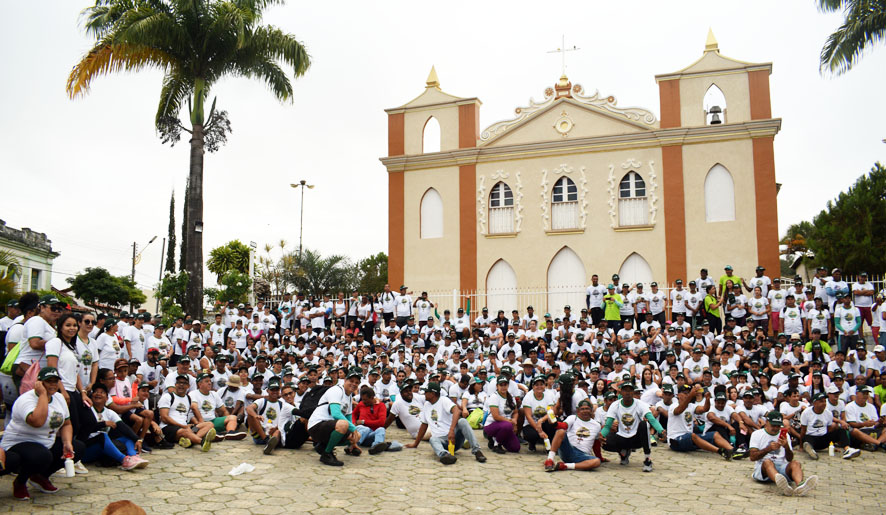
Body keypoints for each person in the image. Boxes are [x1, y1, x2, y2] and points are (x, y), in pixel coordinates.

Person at [0, 367, 85, 500]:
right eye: (48, 381)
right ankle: (20, 482)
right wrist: (43, 395)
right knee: (41, 455)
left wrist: (67, 442)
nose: (52, 384)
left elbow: (67, 424)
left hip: (45, 443)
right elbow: (37, 421)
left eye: (55, 381)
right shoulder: (26, 400)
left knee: (77, 447)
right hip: (19, 443)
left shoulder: (59, 398)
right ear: (39, 383)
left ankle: (40, 476)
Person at [405, 381, 487, 465]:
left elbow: (457, 411)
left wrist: (451, 430)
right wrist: (415, 444)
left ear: (433, 393)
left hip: (453, 439)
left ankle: (477, 451)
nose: (424, 394)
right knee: (432, 439)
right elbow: (424, 425)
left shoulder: (444, 400)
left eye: (426, 392)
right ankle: (444, 455)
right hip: (441, 442)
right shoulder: (426, 404)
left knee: (463, 421)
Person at [80, 382, 148, 471]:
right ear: (91, 396)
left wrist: (137, 439)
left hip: (102, 446)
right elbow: (86, 429)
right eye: (96, 392)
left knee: (128, 437)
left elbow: (122, 427)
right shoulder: (87, 410)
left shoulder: (109, 412)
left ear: (107, 398)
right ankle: (124, 460)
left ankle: (133, 457)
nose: (98, 394)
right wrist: (103, 424)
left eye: (102, 392)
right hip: (87, 449)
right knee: (102, 436)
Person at [599, 381, 665, 472]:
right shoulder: (615, 405)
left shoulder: (640, 404)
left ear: (633, 393)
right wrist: (601, 436)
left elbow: (652, 419)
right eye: (625, 390)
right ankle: (623, 453)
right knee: (606, 442)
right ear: (621, 392)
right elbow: (607, 426)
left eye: (630, 391)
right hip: (621, 437)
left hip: (636, 439)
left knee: (644, 424)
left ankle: (647, 459)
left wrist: (661, 431)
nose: (627, 393)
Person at [749, 411, 818, 496]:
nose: (776, 428)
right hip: (763, 469)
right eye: (773, 425)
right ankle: (781, 484)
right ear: (767, 422)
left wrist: (786, 447)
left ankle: (800, 486)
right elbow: (752, 457)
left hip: (781, 466)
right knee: (767, 462)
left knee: (796, 463)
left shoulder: (785, 436)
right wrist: (768, 449)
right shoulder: (757, 434)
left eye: (778, 426)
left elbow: (789, 458)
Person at [306, 367, 362, 466]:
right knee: (344, 425)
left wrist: (353, 442)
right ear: (345, 380)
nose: (354, 384)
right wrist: (353, 428)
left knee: (357, 435)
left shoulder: (349, 397)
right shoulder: (336, 390)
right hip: (316, 425)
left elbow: (349, 419)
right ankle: (327, 454)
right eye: (351, 381)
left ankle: (323, 446)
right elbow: (336, 414)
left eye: (357, 382)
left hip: (330, 427)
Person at [667, 385, 734, 459]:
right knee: (693, 436)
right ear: (678, 395)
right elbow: (679, 410)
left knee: (715, 434)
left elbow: (704, 409)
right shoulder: (673, 406)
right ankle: (721, 452)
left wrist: (707, 399)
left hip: (689, 439)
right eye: (685, 393)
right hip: (675, 440)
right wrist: (690, 396)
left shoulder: (692, 406)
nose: (687, 395)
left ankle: (733, 451)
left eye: (688, 393)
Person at [157, 374, 216, 451]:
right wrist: (183, 426)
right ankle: (201, 442)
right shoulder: (167, 397)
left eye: (184, 383)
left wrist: (189, 425)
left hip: (185, 427)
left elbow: (188, 415)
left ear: (188, 386)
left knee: (209, 424)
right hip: (168, 428)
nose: (181, 385)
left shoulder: (188, 398)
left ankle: (190, 441)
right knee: (185, 431)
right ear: (175, 385)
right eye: (179, 382)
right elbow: (164, 418)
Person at [544, 398, 602, 472]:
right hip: (568, 449)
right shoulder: (573, 418)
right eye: (582, 409)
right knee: (561, 431)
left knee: (597, 462)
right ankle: (550, 460)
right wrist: (554, 423)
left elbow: (596, 443)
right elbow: (563, 426)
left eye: (587, 409)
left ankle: (565, 466)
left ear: (591, 410)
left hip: (582, 455)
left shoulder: (597, 425)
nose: (585, 411)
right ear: (578, 410)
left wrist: (600, 457)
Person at [799, 392, 859, 459]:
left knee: (841, 431)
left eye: (825, 401)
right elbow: (803, 430)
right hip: (811, 438)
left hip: (823, 438)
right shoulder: (806, 413)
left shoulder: (828, 413)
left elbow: (829, 429)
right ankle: (811, 450)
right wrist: (800, 447)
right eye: (821, 401)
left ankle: (847, 449)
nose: (824, 404)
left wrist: (831, 446)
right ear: (814, 403)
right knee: (807, 439)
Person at [188, 373, 245, 441]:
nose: (209, 383)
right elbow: (194, 408)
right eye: (206, 381)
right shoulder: (193, 393)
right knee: (208, 425)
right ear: (199, 384)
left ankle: (230, 433)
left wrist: (228, 421)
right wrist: (202, 422)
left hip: (213, 420)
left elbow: (224, 411)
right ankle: (205, 435)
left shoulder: (214, 394)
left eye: (210, 381)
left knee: (233, 417)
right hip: (197, 423)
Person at [352, 387, 398, 454]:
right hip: (360, 433)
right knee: (365, 429)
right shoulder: (361, 404)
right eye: (363, 399)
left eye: (365, 400)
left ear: (372, 397)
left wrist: (363, 422)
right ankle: (354, 446)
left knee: (381, 429)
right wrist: (353, 422)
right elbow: (353, 414)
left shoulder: (381, 406)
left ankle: (376, 447)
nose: (363, 402)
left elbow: (381, 422)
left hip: (371, 434)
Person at [483, 377, 521, 454]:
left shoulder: (511, 397)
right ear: (497, 386)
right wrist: (511, 422)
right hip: (491, 425)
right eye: (501, 385)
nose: (503, 387)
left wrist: (515, 421)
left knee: (515, 448)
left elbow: (516, 412)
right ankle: (496, 444)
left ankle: (498, 438)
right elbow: (496, 416)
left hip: (506, 425)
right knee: (507, 425)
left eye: (505, 385)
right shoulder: (494, 396)